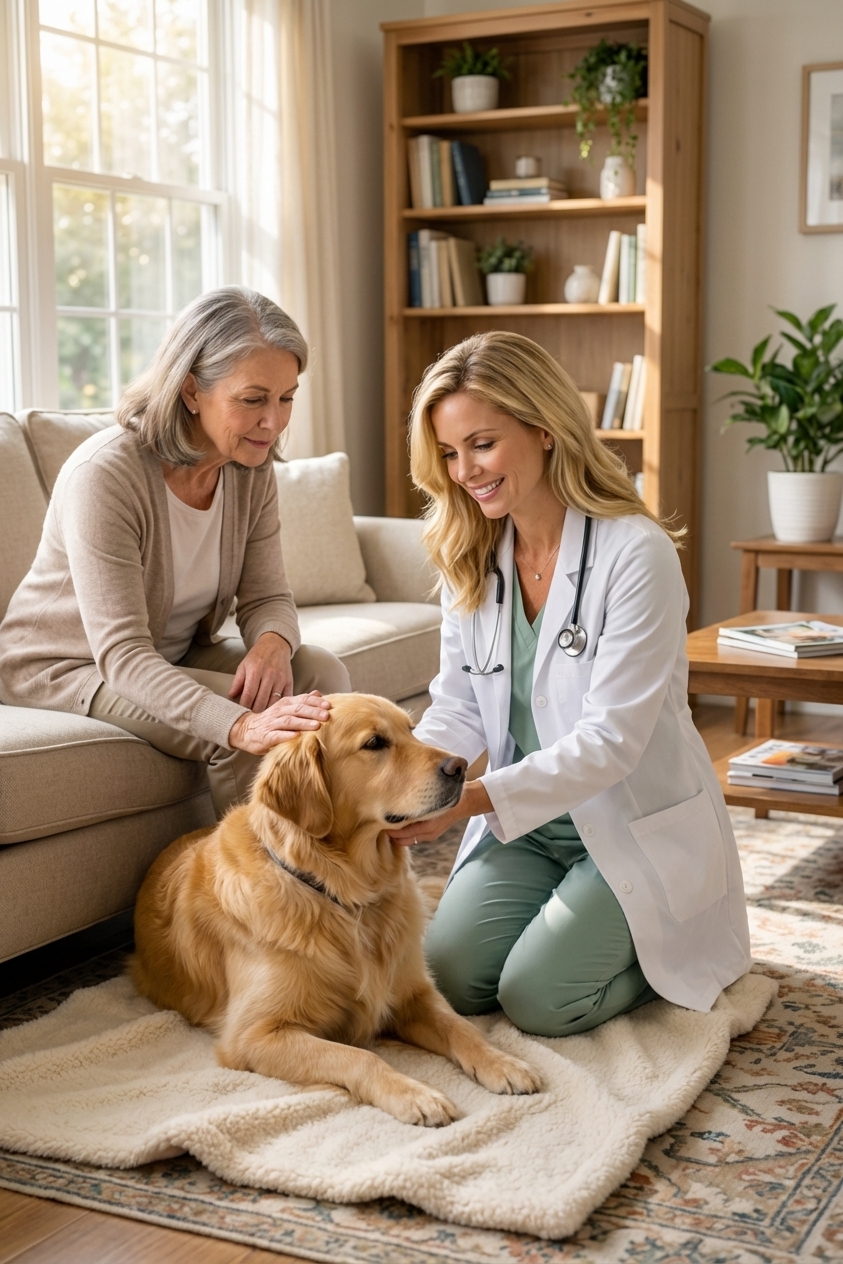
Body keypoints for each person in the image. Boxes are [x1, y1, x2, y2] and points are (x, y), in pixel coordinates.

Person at [388, 331, 751, 1037]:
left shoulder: (633, 553)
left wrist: (466, 801)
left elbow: (610, 742)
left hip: (630, 822)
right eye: (450, 454)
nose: (465, 471)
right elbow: (458, 704)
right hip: (526, 827)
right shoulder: (470, 553)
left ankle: (661, 954)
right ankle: (569, 918)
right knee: (453, 978)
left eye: (482, 444)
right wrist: (400, 785)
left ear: (544, 428)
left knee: (538, 999)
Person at [0, 287, 349, 816]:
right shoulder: (106, 476)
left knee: (321, 676)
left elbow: (268, 594)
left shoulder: (250, 468)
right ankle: (258, 892)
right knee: (250, 728)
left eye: (286, 398)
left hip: (175, 650)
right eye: (253, 399)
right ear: (191, 391)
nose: (273, 422)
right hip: (74, 667)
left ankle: (336, 864)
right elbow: (122, 654)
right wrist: (241, 724)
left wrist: (273, 643)